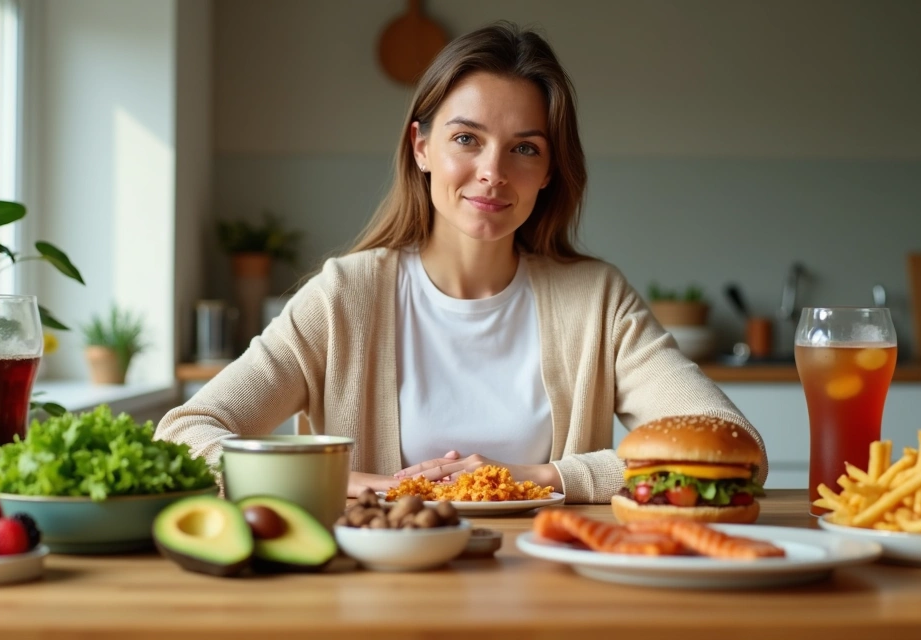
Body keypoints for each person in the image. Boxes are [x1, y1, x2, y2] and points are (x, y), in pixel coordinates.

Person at [155, 21, 768, 503]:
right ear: (421, 146)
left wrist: (536, 476)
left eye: (524, 148)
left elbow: (734, 446)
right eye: (466, 138)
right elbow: (187, 435)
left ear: (550, 171)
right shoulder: (347, 296)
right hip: (375, 600)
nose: (492, 173)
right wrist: (347, 481)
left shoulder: (596, 301)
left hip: (554, 595)